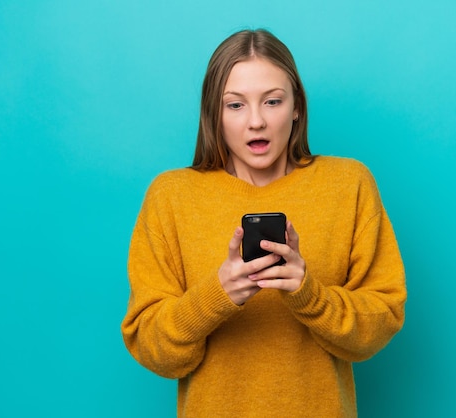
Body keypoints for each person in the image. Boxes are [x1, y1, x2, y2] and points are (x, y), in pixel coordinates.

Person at [121, 29, 406, 417]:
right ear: (213, 114)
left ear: (296, 107)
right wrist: (216, 296)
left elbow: (382, 320)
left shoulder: (349, 184)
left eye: (272, 101)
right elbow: (153, 349)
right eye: (235, 105)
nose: (256, 121)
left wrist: (309, 294)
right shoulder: (171, 196)